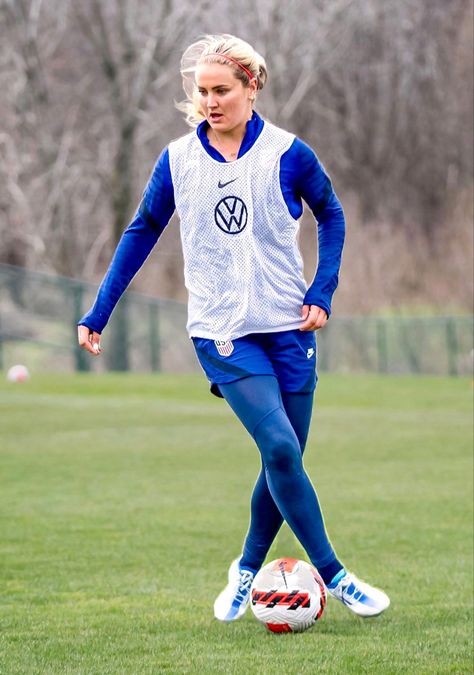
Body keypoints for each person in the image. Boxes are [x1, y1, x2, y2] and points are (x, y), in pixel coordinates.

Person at [77, 34, 390, 622]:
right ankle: (337, 577)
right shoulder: (178, 161)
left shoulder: (289, 154)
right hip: (222, 330)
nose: (210, 101)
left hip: (289, 327)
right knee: (277, 445)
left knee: (285, 459)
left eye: (222, 90)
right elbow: (141, 230)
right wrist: (100, 310)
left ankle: (246, 570)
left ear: (252, 88)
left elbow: (332, 214)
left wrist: (322, 290)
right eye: (202, 91)